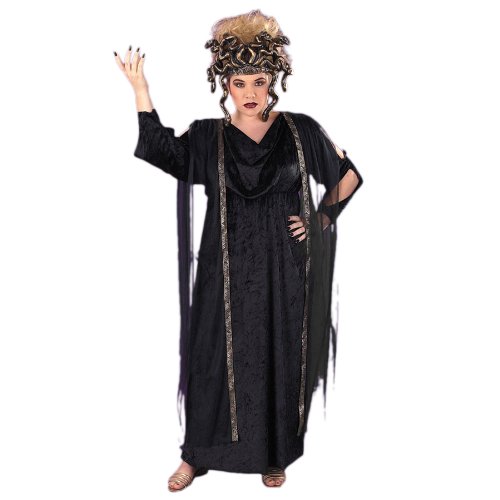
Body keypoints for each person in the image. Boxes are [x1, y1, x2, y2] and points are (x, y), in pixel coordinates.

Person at [114, 9, 363, 492]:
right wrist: (141, 91)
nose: (250, 92)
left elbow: (348, 175)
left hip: (282, 270)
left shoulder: (301, 131)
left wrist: (319, 220)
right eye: (239, 82)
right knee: (213, 357)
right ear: (224, 83)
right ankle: (195, 456)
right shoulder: (208, 136)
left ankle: (274, 454)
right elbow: (163, 151)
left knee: (279, 355)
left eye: (260, 81)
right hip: (223, 270)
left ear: (273, 82)